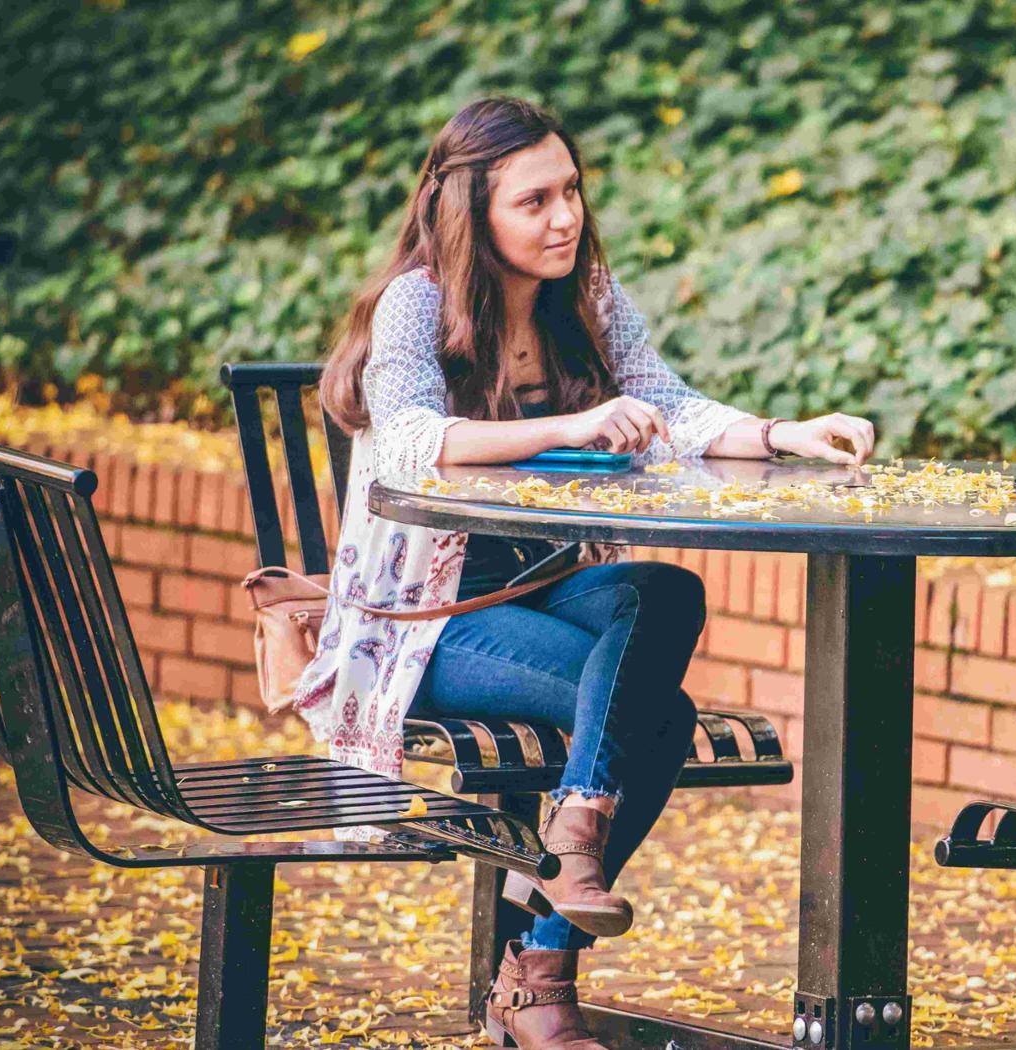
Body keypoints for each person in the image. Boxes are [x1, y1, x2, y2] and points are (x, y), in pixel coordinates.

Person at [295, 97, 875, 1050]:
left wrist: (779, 434)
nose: (563, 217)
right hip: (427, 617)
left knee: (665, 591)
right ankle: (539, 978)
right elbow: (404, 444)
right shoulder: (417, 301)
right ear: (471, 212)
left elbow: (666, 403)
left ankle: (572, 846)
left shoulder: (587, 297)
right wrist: (564, 425)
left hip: (547, 589)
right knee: (657, 715)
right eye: (534, 201)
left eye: (570, 191)